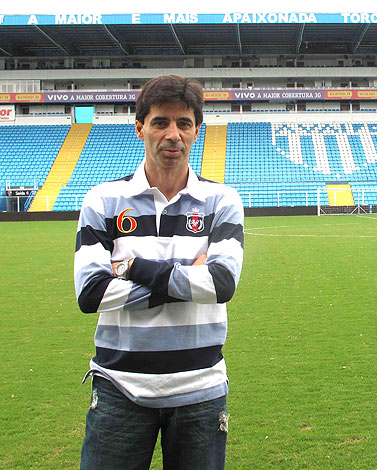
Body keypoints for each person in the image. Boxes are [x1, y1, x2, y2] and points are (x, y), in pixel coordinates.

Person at [74, 75, 244, 470]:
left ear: (197, 132)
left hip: (199, 390)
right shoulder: (103, 200)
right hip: (120, 388)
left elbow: (222, 283)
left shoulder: (222, 200)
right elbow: (92, 294)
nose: (173, 134)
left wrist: (133, 268)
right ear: (140, 129)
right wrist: (188, 277)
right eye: (160, 122)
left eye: (184, 124)